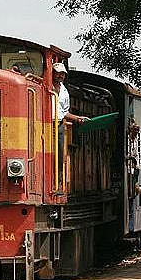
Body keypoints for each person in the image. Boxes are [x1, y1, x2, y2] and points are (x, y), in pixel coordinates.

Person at [53, 62, 87, 190]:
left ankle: (59, 182)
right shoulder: (45, 86)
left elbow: (64, 112)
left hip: (59, 124)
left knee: (60, 154)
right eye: (58, 73)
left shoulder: (64, 91)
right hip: (45, 122)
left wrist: (78, 118)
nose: (60, 76)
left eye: (62, 74)